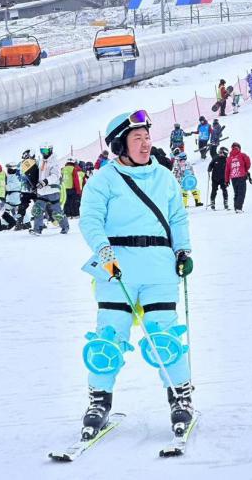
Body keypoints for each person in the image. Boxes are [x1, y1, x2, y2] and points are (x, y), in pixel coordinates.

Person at [79, 109, 194, 440]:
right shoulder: (103, 179)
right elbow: (90, 220)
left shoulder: (164, 177)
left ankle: (180, 397)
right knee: (109, 338)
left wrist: (183, 251)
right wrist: (106, 255)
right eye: (137, 139)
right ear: (120, 146)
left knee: (164, 338)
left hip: (159, 266)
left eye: (147, 138)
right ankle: (98, 402)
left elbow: (178, 217)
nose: (145, 145)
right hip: (117, 269)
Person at [30, 143, 69, 235]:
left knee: (56, 211)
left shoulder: (54, 162)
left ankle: (65, 226)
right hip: (42, 191)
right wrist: (35, 185)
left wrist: (45, 182)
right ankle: (37, 229)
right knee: (38, 209)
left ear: (50, 150)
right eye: (42, 151)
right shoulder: (41, 161)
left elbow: (55, 175)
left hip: (52, 190)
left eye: (46, 151)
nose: (44, 153)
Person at [225, 142, 251, 213]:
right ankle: (239, 208)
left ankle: (236, 207)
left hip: (233, 177)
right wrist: (245, 170)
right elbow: (248, 163)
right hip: (241, 176)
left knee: (236, 193)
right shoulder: (242, 155)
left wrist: (226, 180)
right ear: (239, 148)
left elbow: (227, 170)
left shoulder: (229, 158)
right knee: (241, 193)